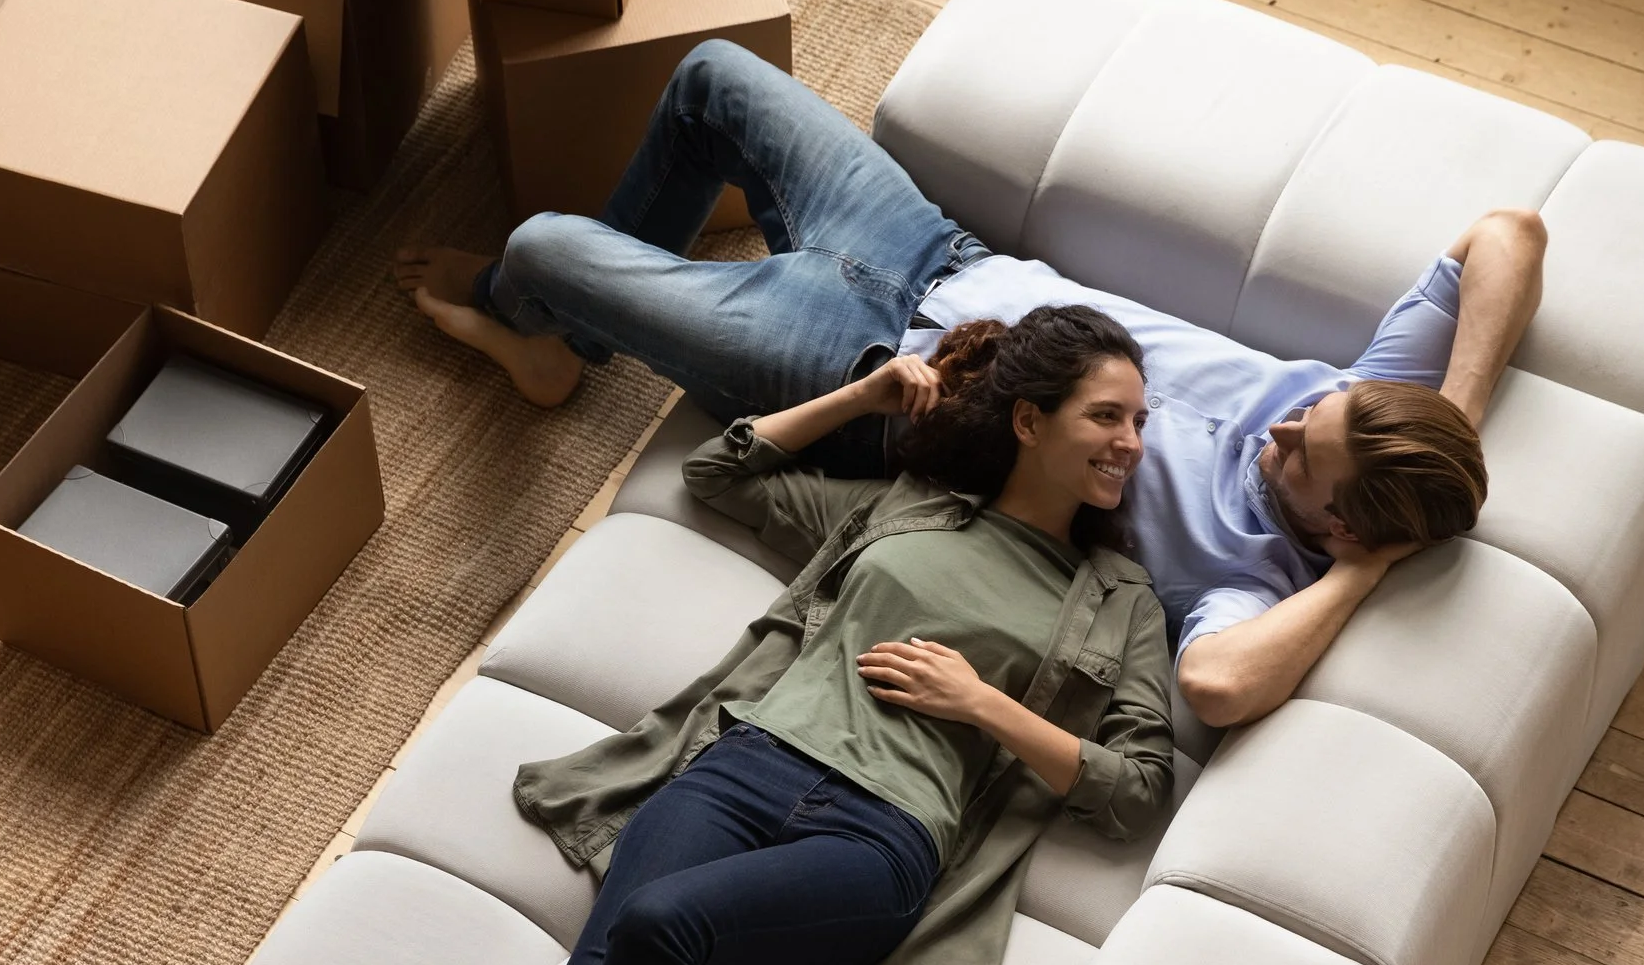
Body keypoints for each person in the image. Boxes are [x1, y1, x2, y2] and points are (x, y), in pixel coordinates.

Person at [397, 41, 1547, 730]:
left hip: (870, 376)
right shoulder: (1371, 408)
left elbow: (1220, 688)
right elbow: (1510, 234)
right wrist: (1457, 415)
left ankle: (538, 330)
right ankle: (572, 338)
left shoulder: (1252, 578)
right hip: (942, 255)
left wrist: (1359, 574)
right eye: (1317, 408)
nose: (1289, 420)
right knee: (710, 80)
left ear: (1336, 525)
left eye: (1306, 455)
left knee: (544, 249)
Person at [421, 306, 1176, 965]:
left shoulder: (1120, 599)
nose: (1129, 443)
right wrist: (862, 395)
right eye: (1106, 416)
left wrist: (984, 706)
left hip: (879, 838)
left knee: (661, 926)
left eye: (1138, 422)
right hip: (743, 769)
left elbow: (1137, 789)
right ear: (1028, 421)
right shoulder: (908, 510)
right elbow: (720, 473)